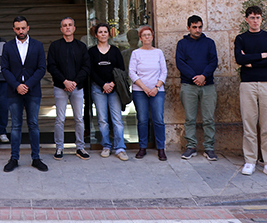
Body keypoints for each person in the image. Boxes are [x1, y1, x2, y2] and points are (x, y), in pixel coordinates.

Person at [234, 5, 267, 177]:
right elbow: (240, 58)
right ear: (246, 19)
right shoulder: (241, 38)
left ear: (262, 19)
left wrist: (251, 61)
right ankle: (250, 161)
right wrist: (262, 56)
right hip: (247, 84)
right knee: (249, 125)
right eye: (252, 17)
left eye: (258, 17)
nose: (255, 20)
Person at [1, 16, 48, 172]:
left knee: (33, 124)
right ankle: (14, 158)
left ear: (28, 28)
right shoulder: (7, 46)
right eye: (17, 28)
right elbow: (4, 69)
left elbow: (42, 68)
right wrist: (17, 86)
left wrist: (27, 85)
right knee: (15, 126)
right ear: (14, 29)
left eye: (23, 28)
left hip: (33, 91)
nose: (20, 31)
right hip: (14, 92)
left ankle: (36, 158)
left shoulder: (37, 45)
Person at [175, 15, 219, 161]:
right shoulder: (182, 44)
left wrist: (203, 76)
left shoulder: (209, 43)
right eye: (194, 27)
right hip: (188, 85)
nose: (197, 30)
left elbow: (213, 61)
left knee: (208, 119)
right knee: (190, 118)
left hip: (208, 85)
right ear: (188, 28)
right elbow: (180, 63)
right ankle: (191, 146)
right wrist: (195, 77)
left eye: (200, 27)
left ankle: (209, 147)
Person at [48, 17, 91, 160]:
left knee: (79, 118)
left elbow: (86, 67)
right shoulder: (55, 46)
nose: (67, 27)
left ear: (74, 28)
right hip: (60, 87)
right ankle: (59, 148)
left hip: (77, 88)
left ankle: (80, 147)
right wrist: (65, 81)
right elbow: (52, 66)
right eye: (64, 25)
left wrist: (75, 82)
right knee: (60, 119)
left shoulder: (81, 46)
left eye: (70, 25)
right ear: (61, 29)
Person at [88, 23, 128, 161]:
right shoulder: (91, 52)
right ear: (96, 35)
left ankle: (120, 148)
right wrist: (103, 84)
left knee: (117, 119)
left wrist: (112, 84)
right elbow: (91, 71)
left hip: (114, 89)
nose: (103, 34)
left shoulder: (115, 51)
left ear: (109, 34)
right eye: (100, 32)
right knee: (102, 119)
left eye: (105, 32)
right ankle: (106, 146)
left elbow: (121, 69)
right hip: (98, 89)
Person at [129, 25, 168, 161]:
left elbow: (164, 72)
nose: (147, 37)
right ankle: (142, 147)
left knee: (158, 119)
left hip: (157, 91)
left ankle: (161, 148)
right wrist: (145, 88)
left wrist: (156, 87)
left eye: (149, 35)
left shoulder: (158, 52)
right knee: (143, 119)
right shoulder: (136, 53)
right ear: (140, 38)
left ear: (152, 37)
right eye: (144, 35)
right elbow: (132, 72)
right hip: (140, 91)